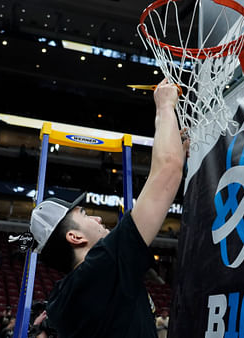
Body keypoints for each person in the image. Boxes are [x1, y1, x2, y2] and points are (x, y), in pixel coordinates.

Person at [29, 78, 187, 338]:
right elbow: (168, 169)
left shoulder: (65, 294)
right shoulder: (101, 265)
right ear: (75, 237)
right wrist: (165, 106)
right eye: (84, 214)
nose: (97, 216)